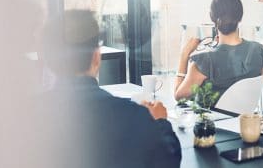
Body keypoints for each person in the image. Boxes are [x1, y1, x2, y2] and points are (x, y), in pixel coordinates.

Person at [37, 10, 181, 168]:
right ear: (97, 57)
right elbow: (168, 160)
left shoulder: (23, 117)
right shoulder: (134, 117)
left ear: (48, 60)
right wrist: (160, 122)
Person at [174, 0, 263, 101]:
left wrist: (184, 55)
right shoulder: (257, 50)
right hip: (244, 116)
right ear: (241, 16)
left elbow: (179, 97)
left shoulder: (205, 61)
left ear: (211, 17)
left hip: (213, 117)